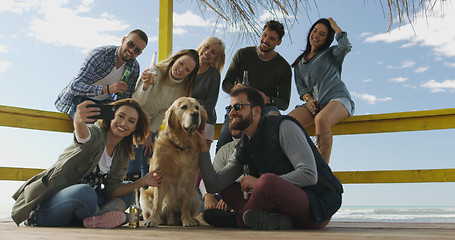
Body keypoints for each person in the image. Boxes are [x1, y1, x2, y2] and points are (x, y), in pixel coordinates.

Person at [196, 87, 343, 230]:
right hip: (280, 205)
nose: (232, 113)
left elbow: (309, 175)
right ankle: (279, 221)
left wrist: (259, 183)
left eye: (238, 107)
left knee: (267, 181)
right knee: (226, 187)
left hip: (316, 207)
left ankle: (237, 220)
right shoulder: (243, 146)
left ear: (256, 111)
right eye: (229, 109)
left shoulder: (283, 126)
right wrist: (202, 148)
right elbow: (214, 185)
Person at [11, 99, 164, 228]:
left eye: (131, 121)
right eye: (120, 116)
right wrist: (78, 121)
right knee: (85, 192)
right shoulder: (96, 134)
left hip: (85, 205)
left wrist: (143, 181)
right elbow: (84, 138)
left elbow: (112, 190)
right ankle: (106, 216)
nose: (124, 123)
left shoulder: (122, 152)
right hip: (52, 207)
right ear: (111, 117)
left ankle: (97, 219)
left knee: (129, 188)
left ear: (134, 128)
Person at [216, 20, 292, 152]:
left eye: (272, 38)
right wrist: (233, 88)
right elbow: (226, 83)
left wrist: (268, 99)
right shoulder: (242, 54)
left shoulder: (283, 67)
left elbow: (284, 103)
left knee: (272, 128)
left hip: (265, 109)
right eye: (264, 35)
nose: (265, 40)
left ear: (278, 42)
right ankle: (217, 170)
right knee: (224, 140)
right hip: (240, 106)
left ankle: (267, 167)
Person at [288, 18, 354, 164]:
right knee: (286, 124)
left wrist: (335, 26)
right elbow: (302, 89)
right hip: (315, 104)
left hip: (337, 99)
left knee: (321, 119)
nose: (316, 36)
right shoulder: (299, 63)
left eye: (322, 34)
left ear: (327, 39)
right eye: (315, 31)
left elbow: (345, 47)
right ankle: (300, 163)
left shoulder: (332, 53)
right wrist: (308, 99)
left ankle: (323, 174)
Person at [127, 49, 199, 177]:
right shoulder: (155, 72)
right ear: (174, 60)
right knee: (134, 156)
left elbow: (163, 113)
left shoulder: (182, 90)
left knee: (148, 159)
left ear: (189, 75)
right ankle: (130, 188)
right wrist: (145, 87)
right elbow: (136, 103)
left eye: (187, 70)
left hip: (150, 124)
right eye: (181, 63)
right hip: (133, 117)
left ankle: (146, 192)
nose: (181, 69)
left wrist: (148, 132)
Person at [55, 29, 148, 118]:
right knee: (90, 128)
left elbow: (125, 99)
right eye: (130, 44)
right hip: (82, 100)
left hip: (106, 103)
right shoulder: (99, 55)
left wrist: (145, 86)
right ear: (123, 40)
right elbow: (75, 86)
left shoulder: (134, 67)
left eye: (137, 50)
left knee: (130, 124)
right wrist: (106, 89)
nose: (131, 51)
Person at [192, 36, 226, 148]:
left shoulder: (214, 75)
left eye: (213, 52)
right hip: (184, 116)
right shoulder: (188, 66)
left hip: (205, 119)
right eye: (206, 47)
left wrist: (187, 101)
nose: (207, 52)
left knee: (200, 160)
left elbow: (210, 105)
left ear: (216, 58)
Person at [200, 126, 242, 211]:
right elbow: (211, 176)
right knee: (192, 194)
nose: (232, 116)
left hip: (245, 196)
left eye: (237, 119)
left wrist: (230, 196)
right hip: (222, 198)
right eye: (230, 120)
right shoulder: (225, 149)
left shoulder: (257, 146)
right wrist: (208, 195)